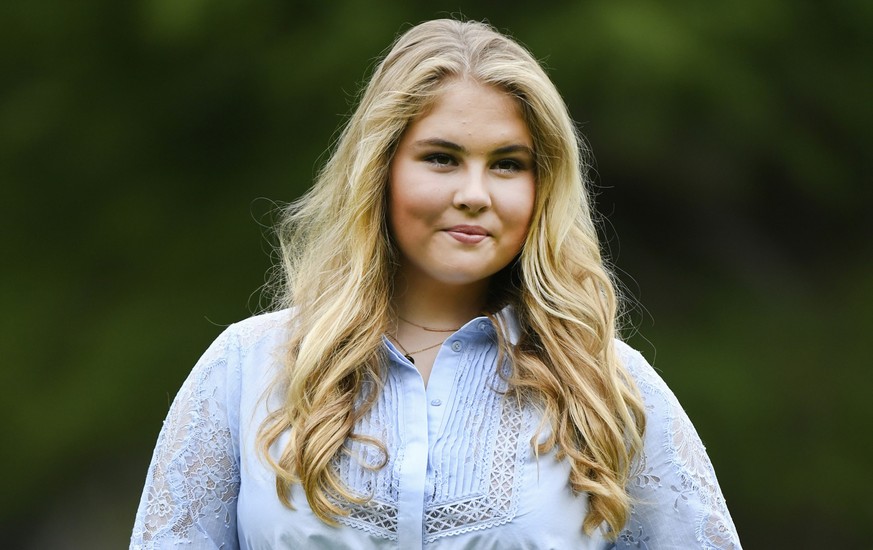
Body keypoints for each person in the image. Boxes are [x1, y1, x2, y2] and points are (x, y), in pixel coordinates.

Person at [131, 18, 741, 549]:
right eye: (442, 158)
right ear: (381, 171)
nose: (474, 195)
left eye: (507, 164)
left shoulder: (608, 387)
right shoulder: (247, 370)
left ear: (541, 186)